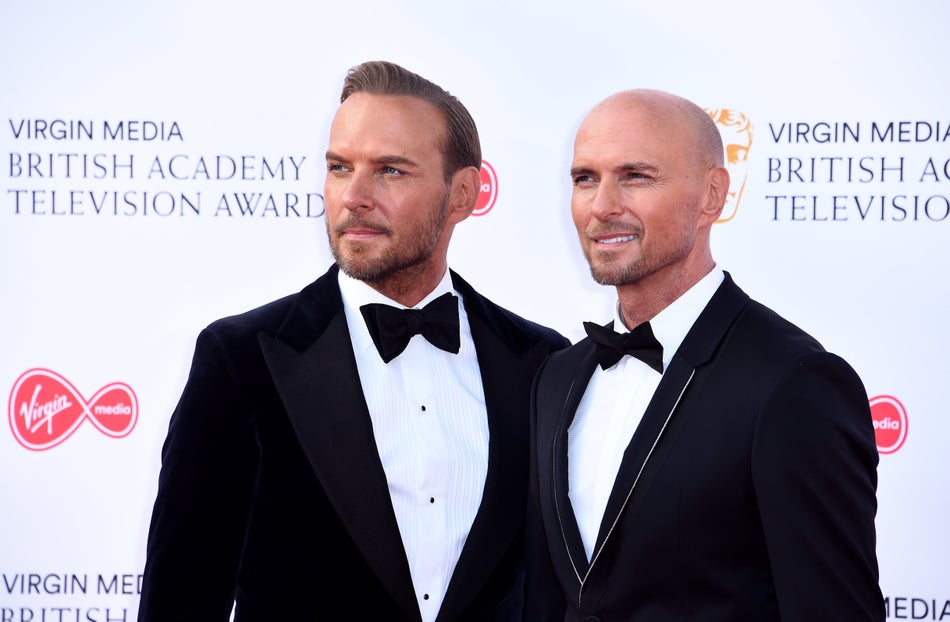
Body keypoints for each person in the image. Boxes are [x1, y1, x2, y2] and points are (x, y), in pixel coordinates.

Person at [138, 60, 568, 622]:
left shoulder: (541, 362)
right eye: (340, 168)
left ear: (462, 194)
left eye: (390, 171)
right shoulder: (242, 360)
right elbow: (182, 597)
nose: (354, 196)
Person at [524, 89, 883, 621]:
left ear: (712, 195)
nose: (601, 206)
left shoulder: (794, 383)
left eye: (636, 176)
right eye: (584, 179)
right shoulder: (558, 375)